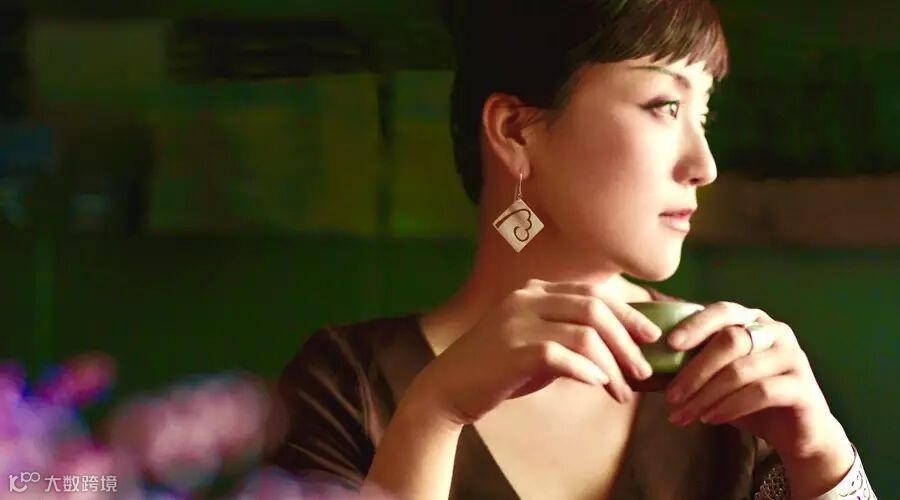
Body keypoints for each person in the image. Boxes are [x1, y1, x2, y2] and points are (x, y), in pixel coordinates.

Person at [270, 1, 876, 498]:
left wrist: (823, 462)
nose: (704, 165)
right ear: (515, 130)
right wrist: (434, 413)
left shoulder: (735, 384)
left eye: (704, 115)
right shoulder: (347, 388)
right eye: (665, 106)